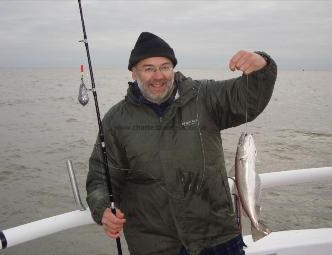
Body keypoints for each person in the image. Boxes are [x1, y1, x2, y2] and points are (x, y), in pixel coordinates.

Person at [86, 32, 277, 255]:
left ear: (173, 68)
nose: (158, 76)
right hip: (156, 246)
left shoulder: (203, 97)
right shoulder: (116, 121)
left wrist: (261, 66)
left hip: (218, 237)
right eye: (148, 68)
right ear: (134, 72)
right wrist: (103, 210)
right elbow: (101, 177)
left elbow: (247, 99)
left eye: (165, 67)